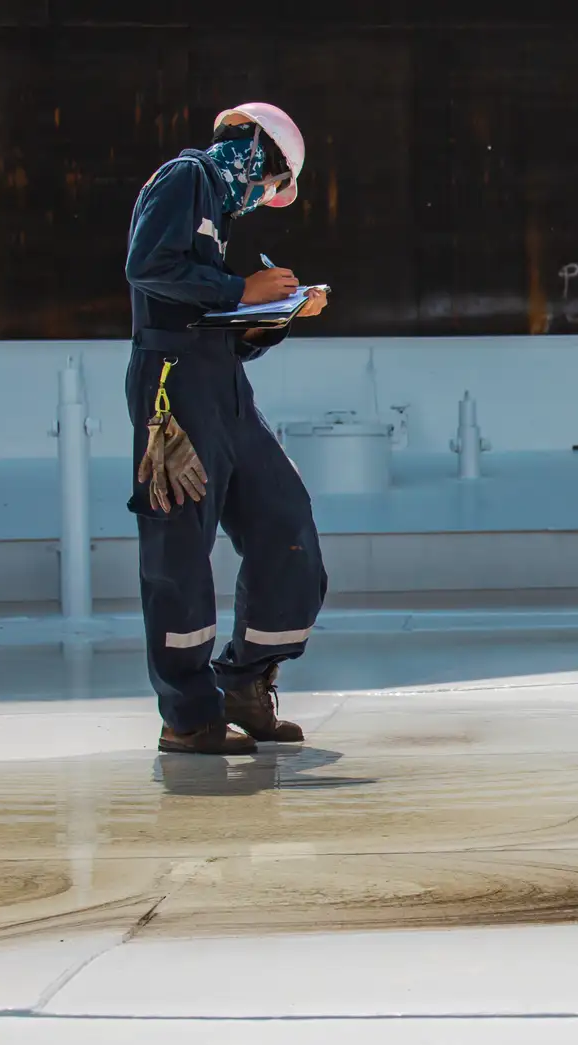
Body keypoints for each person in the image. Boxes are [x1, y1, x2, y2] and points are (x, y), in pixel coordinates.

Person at [124, 102, 329, 755]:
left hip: (221, 385)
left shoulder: (213, 209)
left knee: (284, 519)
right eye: (271, 183)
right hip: (172, 387)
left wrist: (275, 312)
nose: (263, 197)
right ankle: (187, 713)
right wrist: (240, 291)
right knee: (180, 548)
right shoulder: (185, 178)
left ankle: (243, 683)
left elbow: (218, 325)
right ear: (256, 153)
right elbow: (148, 268)